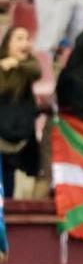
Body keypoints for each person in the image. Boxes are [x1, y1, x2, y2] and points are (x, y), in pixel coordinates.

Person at [0, 26, 41, 196]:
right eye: (19, 38)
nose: (25, 43)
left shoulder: (28, 67)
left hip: (21, 138)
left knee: (14, 185)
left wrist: (16, 63)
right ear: (7, 44)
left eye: (27, 38)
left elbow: (36, 71)